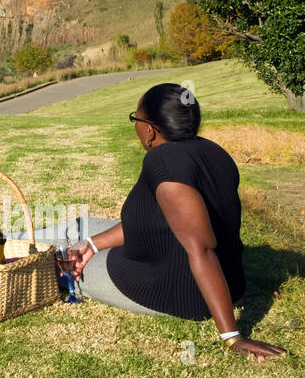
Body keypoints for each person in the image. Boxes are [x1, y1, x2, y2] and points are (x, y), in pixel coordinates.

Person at [44, 83, 284, 361]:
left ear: (150, 131)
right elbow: (155, 221)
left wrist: (232, 337)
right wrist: (93, 246)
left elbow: (201, 249)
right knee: (80, 228)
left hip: (174, 289)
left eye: (136, 118)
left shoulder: (164, 165)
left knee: (60, 263)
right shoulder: (213, 152)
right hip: (215, 277)